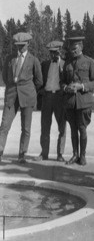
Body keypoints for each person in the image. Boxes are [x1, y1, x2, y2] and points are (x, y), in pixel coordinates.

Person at [0, 32, 42, 163]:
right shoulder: (10, 58)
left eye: (23, 45)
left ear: (28, 44)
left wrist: (28, 90)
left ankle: (22, 154)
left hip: (27, 97)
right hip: (11, 96)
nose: (20, 48)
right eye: (18, 45)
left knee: (26, 128)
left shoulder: (33, 60)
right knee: (4, 126)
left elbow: (39, 81)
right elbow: (6, 77)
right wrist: (13, 88)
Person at [61, 35, 94, 166]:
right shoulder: (67, 63)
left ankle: (82, 156)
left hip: (84, 102)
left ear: (81, 47)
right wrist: (66, 88)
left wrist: (82, 86)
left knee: (82, 129)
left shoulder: (90, 62)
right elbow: (62, 82)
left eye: (75, 48)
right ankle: (74, 154)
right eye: (71, 49)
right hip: (70, 102)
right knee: (73, 129)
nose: (72, 51)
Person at [35, 41, 66, 162]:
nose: (52, 55)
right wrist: (40, 90)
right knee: (45, 127)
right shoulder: (44, 64)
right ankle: (44, 153)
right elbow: (39, 80)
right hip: (47, 97)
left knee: (62, 127)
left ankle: (60, 154)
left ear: (60, 51)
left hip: (59, 97)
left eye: (55, 52)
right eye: (51, 52)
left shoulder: (64, 63)